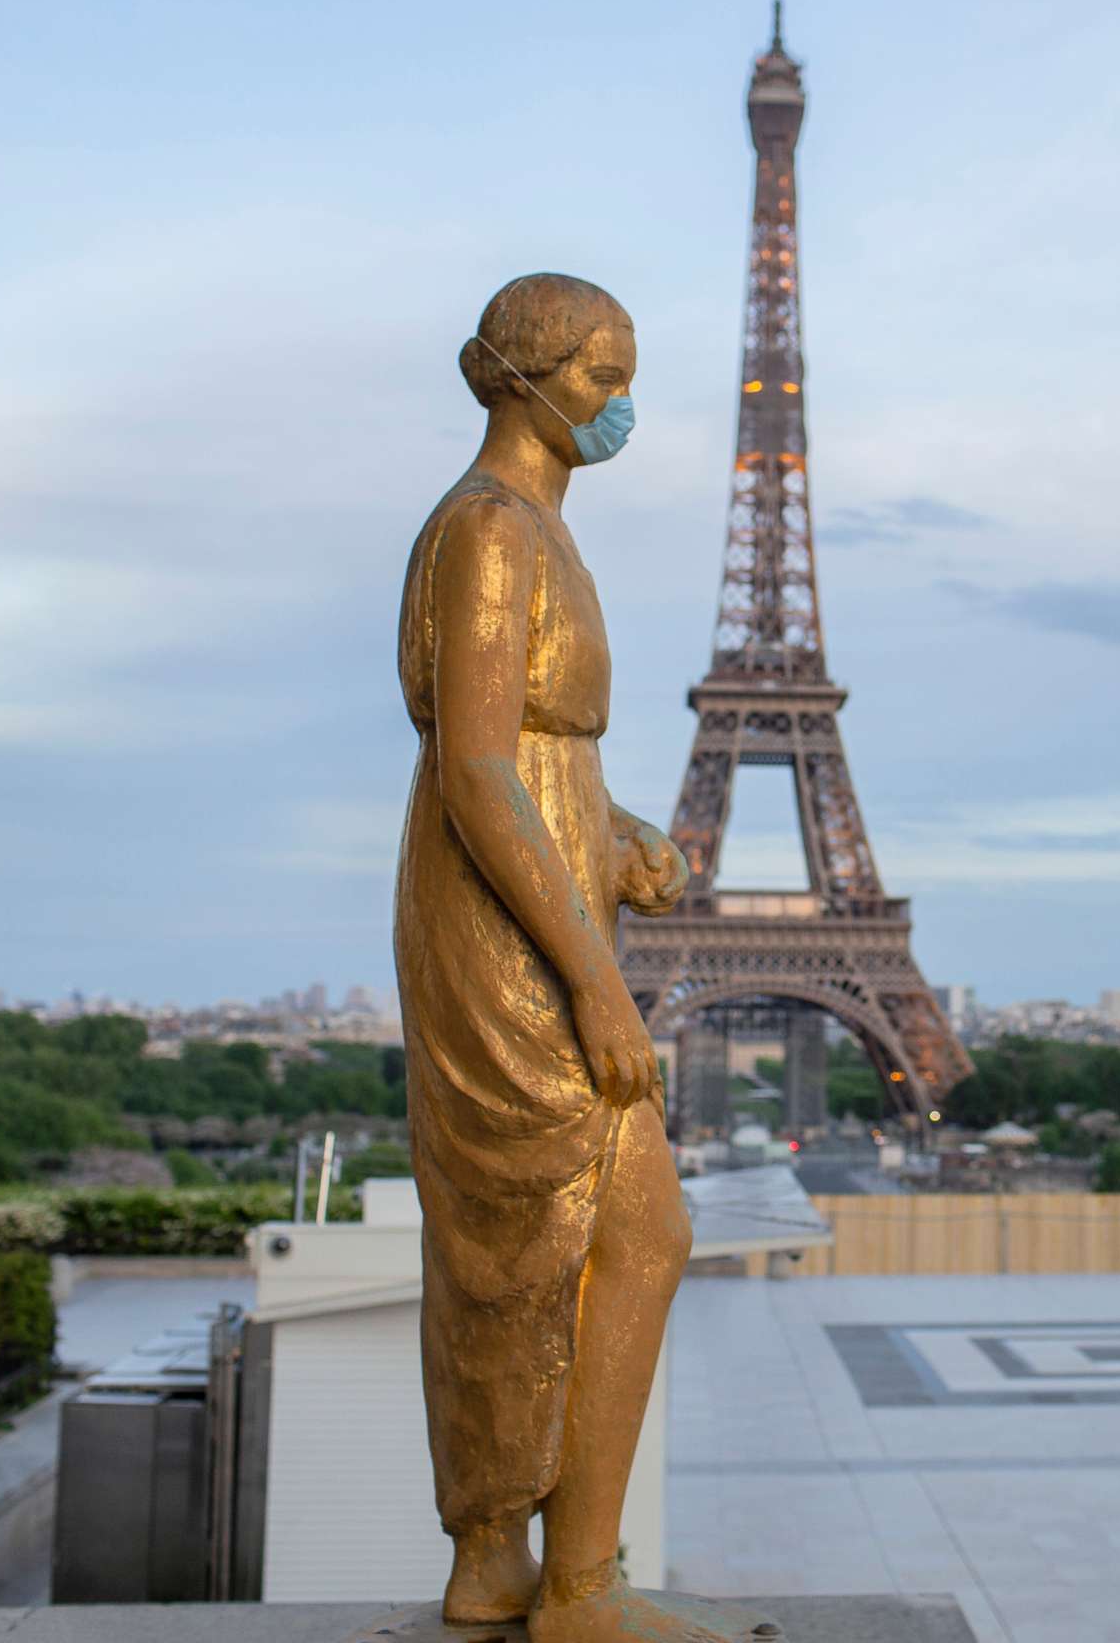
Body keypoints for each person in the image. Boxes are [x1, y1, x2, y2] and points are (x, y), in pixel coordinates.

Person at [396, 273, 708, 1643]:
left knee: (553, 1238)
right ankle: (563, 1579)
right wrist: (594, 973)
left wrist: (621, 830)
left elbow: (532, 757)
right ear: (524, 375)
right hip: (510, 939)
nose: (620, 400)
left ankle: (511, 1566)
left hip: (542, 894)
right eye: (600, 372)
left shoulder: (533, 531)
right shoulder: (488, 532)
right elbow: (475, 768)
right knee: (592, 1234)